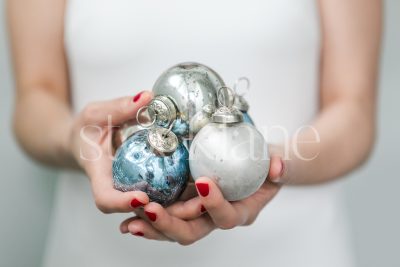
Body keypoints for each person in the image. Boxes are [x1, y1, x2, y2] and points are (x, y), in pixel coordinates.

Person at [7, 0, 381, 266]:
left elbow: (354, 111)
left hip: (297, 251)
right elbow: (36, 101)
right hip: (93, 254)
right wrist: (76, 138)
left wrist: (262, 164)